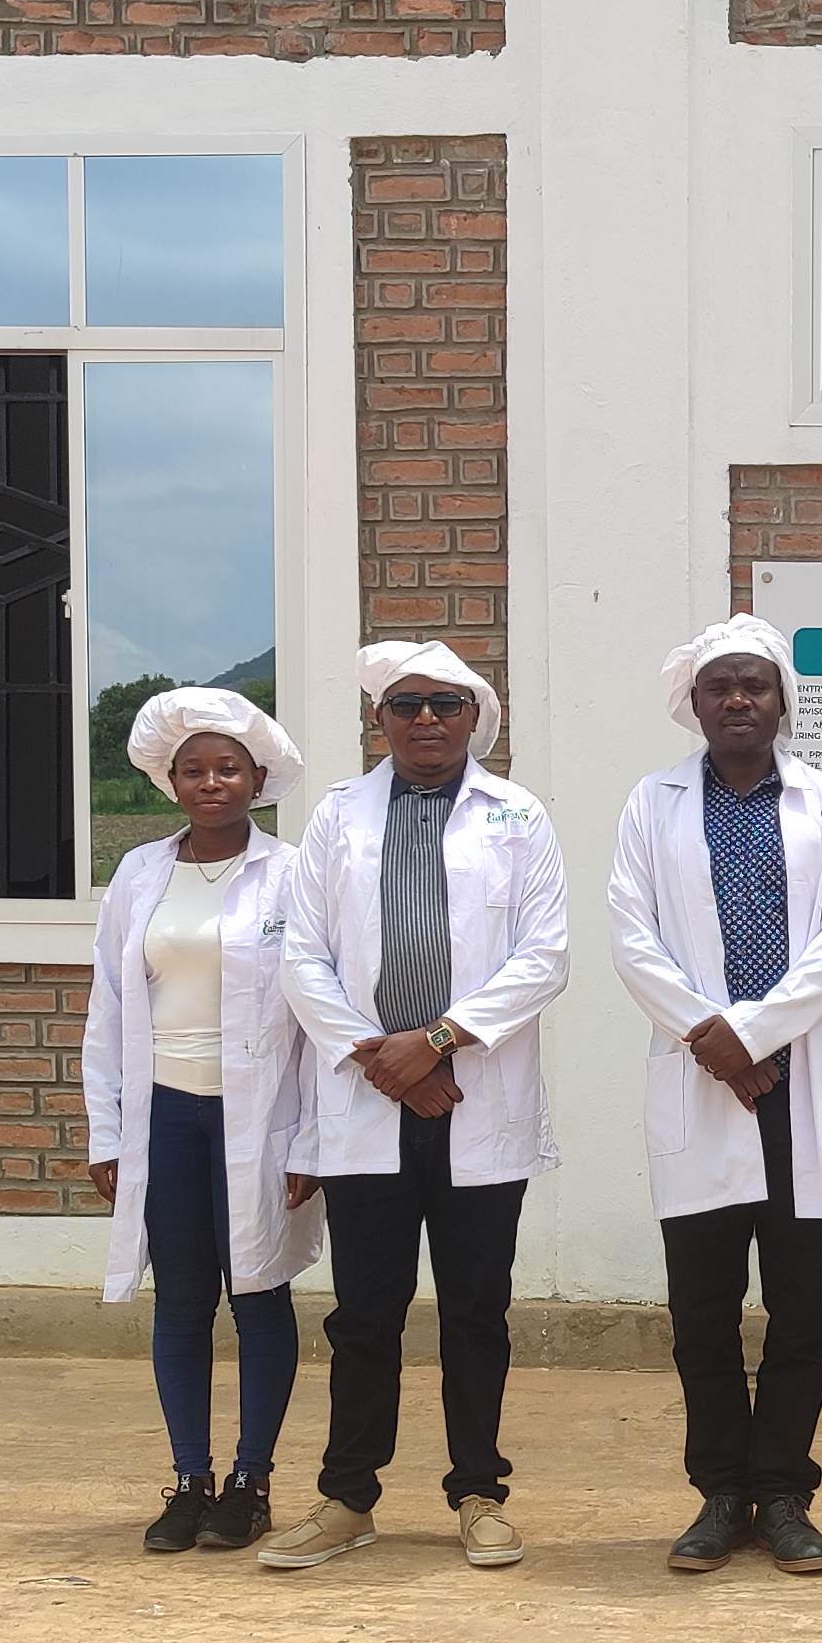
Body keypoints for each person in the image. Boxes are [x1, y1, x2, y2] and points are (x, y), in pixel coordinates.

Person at [255, 641, 573, 1572]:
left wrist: (433, 1043)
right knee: (365, 1314)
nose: (426, 719)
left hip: (473, 1094)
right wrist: (381, 1057)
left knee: (476, 1307)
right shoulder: (337, 818)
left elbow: (544, 958)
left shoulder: (518, 815)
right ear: (379, 720)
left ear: (476, 716)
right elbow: (301, 956)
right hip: (368, 1097)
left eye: (445, 703)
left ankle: (478, 1491)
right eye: (406, 705)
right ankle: (348, 1498)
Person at [607, 615, 822, 1578]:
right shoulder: (654, 803)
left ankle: (786, 1492)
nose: (738, 701)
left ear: (780, 700)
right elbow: (631, 933)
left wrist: (753, 1035)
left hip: (794, 1081)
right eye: (720, 686)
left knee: (808, 1312)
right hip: (700, 1076)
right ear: (695, 703)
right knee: (704, 1313)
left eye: (755, 685)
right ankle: (722, 1493)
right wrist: (710, 1038)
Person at [83, 687, 326, 1555]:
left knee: (259, 1293)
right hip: (167, 1117)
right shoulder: (140, 875)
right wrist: (107, 1131)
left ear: (258, 778)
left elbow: (318, 1019)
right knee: (182, 1301)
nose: (211, 782)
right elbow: (109, 1007)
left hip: (260, 1119)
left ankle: (251, 1482)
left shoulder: (295, 874)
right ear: (170, 780)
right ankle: (189, 1478)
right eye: (194, 769)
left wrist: (314, 1138)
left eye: (229, 768)